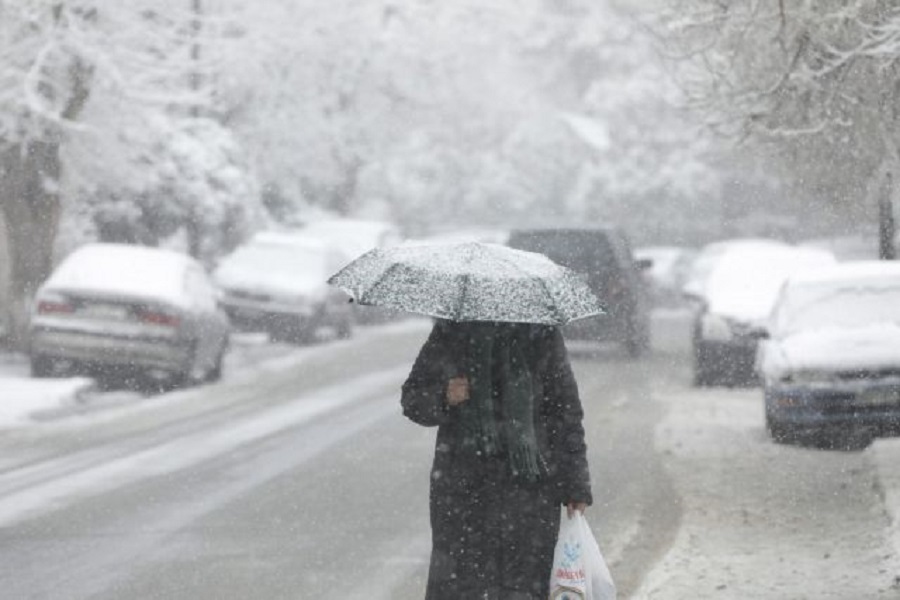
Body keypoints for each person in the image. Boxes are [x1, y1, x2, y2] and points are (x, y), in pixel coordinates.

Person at [401, 319, 593, 600]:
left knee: (523, 587)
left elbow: (566, 413)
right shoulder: (452, 332)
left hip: (530, 493)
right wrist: (444, 395)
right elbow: (413, 399)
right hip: (463, 493)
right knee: (463, 587)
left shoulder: (541, 333)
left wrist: (576, 484)